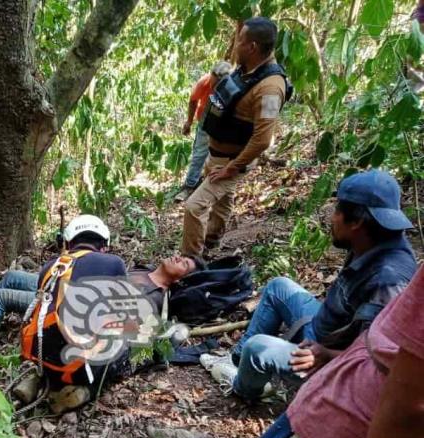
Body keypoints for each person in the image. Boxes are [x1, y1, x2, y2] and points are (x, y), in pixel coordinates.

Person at [221, 263, 424, 438]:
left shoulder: (387, 278)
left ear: (356, 223)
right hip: (357, 412)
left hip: (341, 431)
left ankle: (240, 379)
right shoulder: (366, 257)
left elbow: (412, 403)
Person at [202, 170, 417, 401]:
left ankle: (243, 388)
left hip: (331, 363)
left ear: (357, 222)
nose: (331, 218)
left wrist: (326, 355)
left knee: (257, 349)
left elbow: (374, 362)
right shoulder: (372, 238)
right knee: (279, 287)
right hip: (323, 331)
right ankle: (236, 359)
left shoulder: (387, 281)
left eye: (337, 210)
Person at [0, 251, 203, 355]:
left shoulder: (154, 297)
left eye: (185, 264)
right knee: (16, 277)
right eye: (181, 255)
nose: (178, 258)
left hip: (72, 308)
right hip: (72, 285)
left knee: (6, 298)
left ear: (182, 280)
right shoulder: (142, 270)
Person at [181, 17, 291, 256]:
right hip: (217, 154)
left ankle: (191, 261)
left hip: (231, 161)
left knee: (194, 206)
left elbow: (263, 138)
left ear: (252, 46)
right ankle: (211, 241)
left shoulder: (270, 88)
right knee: (223, 200)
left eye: (239, 40)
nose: (235, 45)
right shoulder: (246, 70)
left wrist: (233, 167)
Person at [177, 61, 233, 201]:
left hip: (223, 121)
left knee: (219, 155)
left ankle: (212, 184)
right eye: (213, 83)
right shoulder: (204, 82)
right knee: (200, 153)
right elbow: (193, 100)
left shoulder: (232, 85)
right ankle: (190, 185)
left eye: (217, 84)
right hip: (205, 119)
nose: (214, 87)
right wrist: (189, 122)